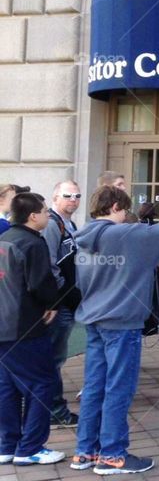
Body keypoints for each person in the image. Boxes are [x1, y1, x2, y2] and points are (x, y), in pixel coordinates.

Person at [72, 185, 159, 475]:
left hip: (94, 318)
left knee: (95, 387)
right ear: (116, 207)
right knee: (119, 387)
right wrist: (156, 222)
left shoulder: (84, 234)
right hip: (121, 321)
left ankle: (85, 451)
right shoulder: (121, 234)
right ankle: (113, 455)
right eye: (124, 209)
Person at [0, 192, 64, 466]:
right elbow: (41, 284)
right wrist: (53, 302)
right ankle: (31, 447)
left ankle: (8, 445)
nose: (48, 216)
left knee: (7, 387)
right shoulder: (32, 243)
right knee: (42, 383)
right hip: (24, 325)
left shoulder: (5, 239)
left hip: (5, 324)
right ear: (32, 215)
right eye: (45, 211)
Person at [42, 180, 82, 429]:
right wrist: (57, 299)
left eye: (77, 196)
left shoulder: (70, 224)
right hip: (58, 303)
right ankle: (53, 408)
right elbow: (48, 264)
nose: (73, 200)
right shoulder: (52, 224)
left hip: (67, 300)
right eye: (67, 195)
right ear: (55, 197)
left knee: (55, 357)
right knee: (52, 358)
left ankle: (50, 406)